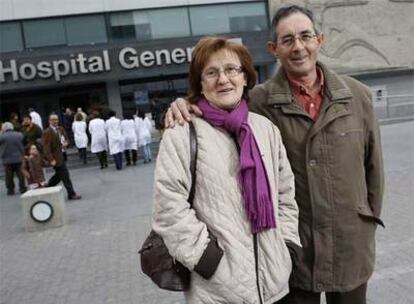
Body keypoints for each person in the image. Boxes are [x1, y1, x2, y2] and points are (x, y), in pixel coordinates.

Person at [165, 5, 385, 304]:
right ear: (273, 49)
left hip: (349, 243)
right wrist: (183, 104)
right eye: (288, 40)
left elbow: (374, 170)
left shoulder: (357, 95)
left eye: (306, 36)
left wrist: (366, 222)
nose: (299, 47)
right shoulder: (257, 102)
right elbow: (216, 104)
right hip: (294, 252)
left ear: (319, 40)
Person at [152, 36, 301, 303]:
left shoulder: (264, 129)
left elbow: (286, 196)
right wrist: (208, 262)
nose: (223, 79)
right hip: (218, 292)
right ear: (200, 83)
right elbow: (168, 209)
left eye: (231, 69)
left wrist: (287, 247)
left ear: (245, 78)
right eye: (211, 72)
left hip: (276, 286)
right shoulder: (182, 133)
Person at [42, 114, 81, 200]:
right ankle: (71, 194)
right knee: (65, 175)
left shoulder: (61, 129)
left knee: (59, 175)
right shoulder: (47, 132)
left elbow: (66, 139)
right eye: (53, 120)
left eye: (56, 119)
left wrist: (66, 143)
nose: (55, 121)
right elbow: (46, 148)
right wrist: (51, 159)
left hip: (63, 154)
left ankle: (47, 187)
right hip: (56, 158)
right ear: (49, 121)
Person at [0, 122, 26, 195]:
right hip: (18, 157)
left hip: (7, 159)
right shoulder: (19, 135)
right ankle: (22, 188)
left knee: (9, 176)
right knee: (20, 174)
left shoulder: (2, 136)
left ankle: (10, 190)